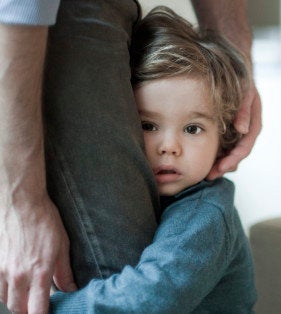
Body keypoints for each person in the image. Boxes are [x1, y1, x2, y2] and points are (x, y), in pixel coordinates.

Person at [0, 1, 261, 313]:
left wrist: (44, 308)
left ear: (225, 135)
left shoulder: (206, 216)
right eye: (148, 125)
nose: (169, 146)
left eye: (192, 128)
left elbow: (145, 300)